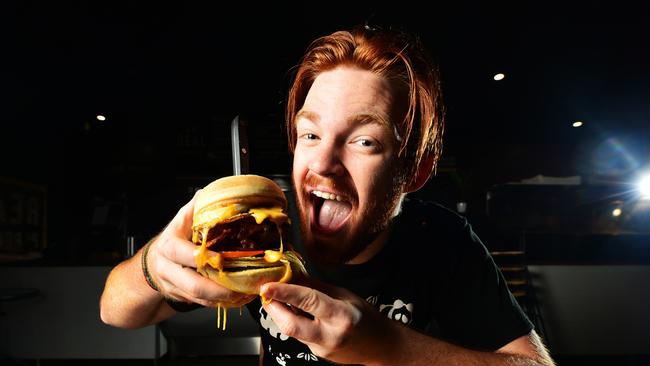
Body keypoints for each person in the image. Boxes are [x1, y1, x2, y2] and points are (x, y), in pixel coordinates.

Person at [100, 24, 556, 366]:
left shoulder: (440, 240)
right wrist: (155, 267)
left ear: (413, 171)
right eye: (310, 134)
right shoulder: (261, 230)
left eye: (364, 142)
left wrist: (387, 344)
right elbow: (114, 312)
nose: (321, 165)